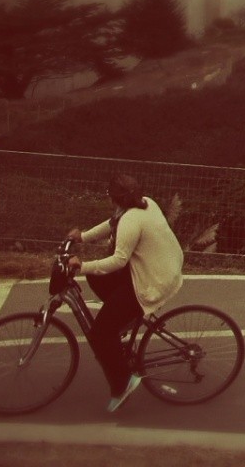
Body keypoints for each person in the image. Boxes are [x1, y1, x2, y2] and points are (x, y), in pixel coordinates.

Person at [66, 173, 185, 413]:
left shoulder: (132, 220)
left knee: (100, 335)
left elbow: (119, 261)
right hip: (156, 268)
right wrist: (83, 237)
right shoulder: (145, 202)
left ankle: (123, 384)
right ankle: (122, 322)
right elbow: (112, 223)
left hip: (151, 282)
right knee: (97, 277)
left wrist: (82, 265)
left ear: (115, 198)